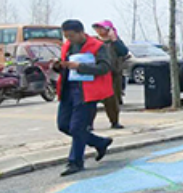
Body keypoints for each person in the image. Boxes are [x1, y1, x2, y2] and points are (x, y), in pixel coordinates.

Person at [51, 20, 115, 176]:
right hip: (68, 91)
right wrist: (59, 66)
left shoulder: (98, 46)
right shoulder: (67, 47)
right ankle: (100, 142)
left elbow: (105, 67)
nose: (69, 39)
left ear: (81, 32)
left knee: (77, 128)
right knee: (64, 125)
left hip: (87, 92)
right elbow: (66, 69)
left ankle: (75, 162)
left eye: (71, 36)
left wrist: (79, 67)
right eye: (66, 36)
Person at [91, 20, 128, 130]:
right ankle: (89, 123)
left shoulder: (115, 42)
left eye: (101, 28)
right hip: (97, 74)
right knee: (92, 101)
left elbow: (124, 52)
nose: (99, 30)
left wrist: (114, 40)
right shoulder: (94, 41)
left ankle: (114, 121)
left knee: (112, 100)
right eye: (97, 28)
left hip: (113, 75)